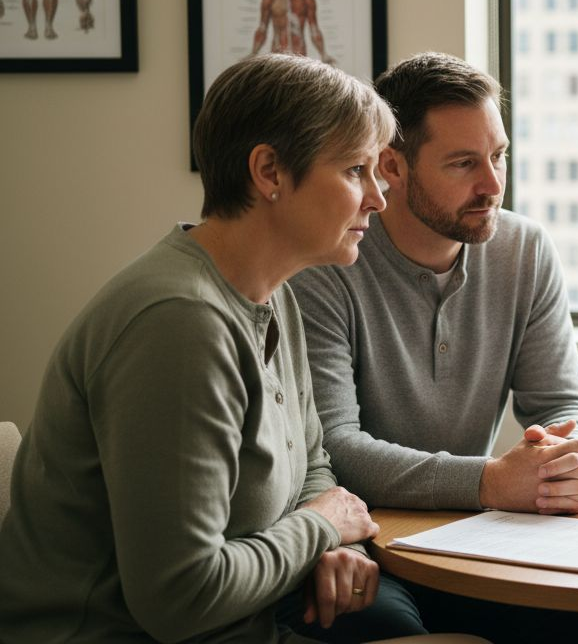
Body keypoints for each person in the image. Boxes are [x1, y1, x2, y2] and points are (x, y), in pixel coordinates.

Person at [0, 53, 398, 642]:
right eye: (355, 170)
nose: (378, 198)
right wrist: (319, 529)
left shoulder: (274, 295)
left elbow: (312, 461)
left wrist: (332, 544)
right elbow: (181, 597)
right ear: (269, 172)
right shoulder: (179, 324)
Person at [289, 51, 578, 643]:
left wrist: (571, 454)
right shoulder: (330, 261)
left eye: (498, 156)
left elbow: (563, 402)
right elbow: (336, 446)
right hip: (359, 545)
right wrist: (491, 482)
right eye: (464, 163)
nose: (493, 185)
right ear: (392, 166)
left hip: (473, 539)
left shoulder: (524, 250)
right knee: (389, 631)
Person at [250, 0, 336, 65]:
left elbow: (314, 29)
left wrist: (323, 53)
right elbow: (262, 28)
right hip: (277, 54)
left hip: (300, 54)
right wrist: (254, 53)